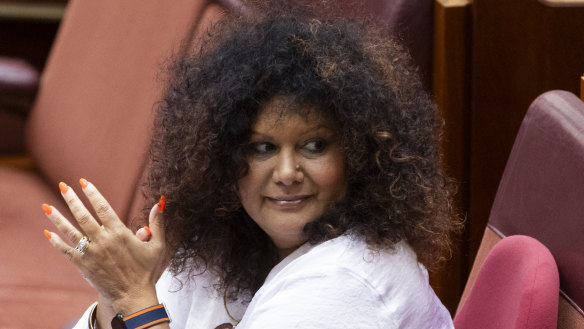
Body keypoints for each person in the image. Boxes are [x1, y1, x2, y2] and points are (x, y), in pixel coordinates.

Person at [41, 2, 458, 328]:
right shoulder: (230, 248)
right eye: (262, 148)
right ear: (223, 157)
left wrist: (136, 299)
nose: (287, 172)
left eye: (314, 146)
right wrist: (113, 300)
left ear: (359, 154)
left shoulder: (351, 280)